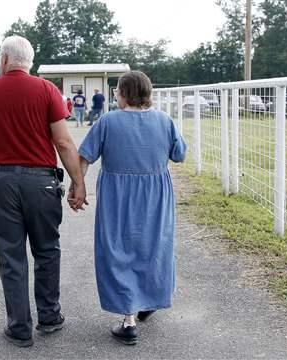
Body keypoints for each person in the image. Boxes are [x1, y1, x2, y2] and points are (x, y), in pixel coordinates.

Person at [0, 35, 87, 348]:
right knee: (47, 249)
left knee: (11, 255)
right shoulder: (47, 90)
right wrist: (78, 181)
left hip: (2, 182)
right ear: (29, 61)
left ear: (4, 59)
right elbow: (62, 142)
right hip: (42, 182)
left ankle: (19, 328)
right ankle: (49, 317)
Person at [73, 71, 186, 346]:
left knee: (118, 250)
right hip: (155, 196)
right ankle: (149, 298)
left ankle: (128, 320)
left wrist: (78, 187)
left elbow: (85, 156)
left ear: (123, 94)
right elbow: (179, 154)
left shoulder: (108, 121)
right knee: (153, 247)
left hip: (117, 196)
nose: (114, 96)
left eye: (116, 92)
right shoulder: (164, 120)